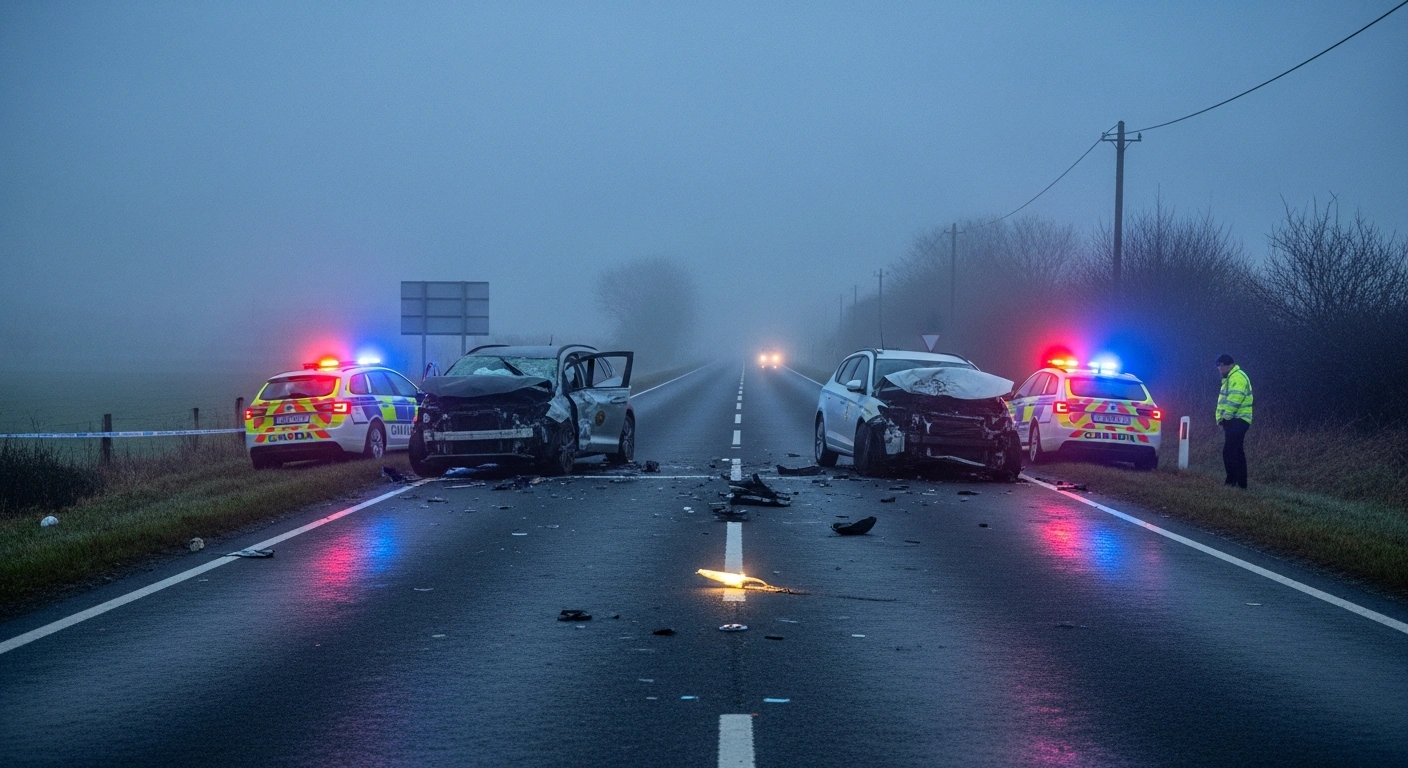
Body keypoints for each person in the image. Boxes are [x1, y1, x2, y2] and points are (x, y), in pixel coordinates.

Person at [1214, 354, 1253, 488]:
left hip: (1238, 419)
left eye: (1222, 365)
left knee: (1229, 451)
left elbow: (1234, 399)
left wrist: (1225, 418)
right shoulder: (1230, 378)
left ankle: (1231, 481)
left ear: (1230, 365)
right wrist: (1220, 418)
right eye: (1218, 365)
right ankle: (1241, 484)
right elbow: (1224, 402)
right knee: (1237, 451)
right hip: (1237, 419)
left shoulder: (1237, 377)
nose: (1220, 368)